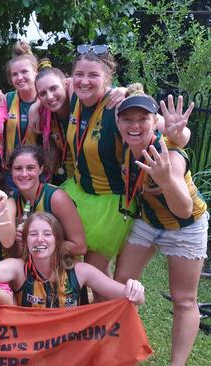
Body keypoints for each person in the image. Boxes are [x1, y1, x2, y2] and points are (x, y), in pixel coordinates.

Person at [61, 45, 190, 294]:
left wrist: (180, 133)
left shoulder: (118, 103)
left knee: (97, 279)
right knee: (66, 267)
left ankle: (107, 330)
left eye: (93, 76)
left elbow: (175, 133)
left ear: (108, 78)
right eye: (79, 74)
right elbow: (50, 85)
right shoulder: (73, 94)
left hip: (110, 202)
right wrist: (35, 107)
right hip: (77, 192)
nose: (84, 81)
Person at [113, 86, 206, 366]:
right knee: (121, 286)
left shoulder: (170, 154)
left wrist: (166, 180)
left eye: (142, 118)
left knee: (184, 299)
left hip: (186, 226)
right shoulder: (125, 145)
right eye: (127, 119)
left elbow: (184, 209)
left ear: (155, 123)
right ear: (118, 123)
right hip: (148, 221)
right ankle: (124, 351)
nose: (134, 125)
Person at [0, 210, 145, 308]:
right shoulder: (18, 268)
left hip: (68, 351)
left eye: (47, 234)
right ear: (26, 241)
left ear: (57, 240)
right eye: (33, 234)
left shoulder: (79, 271)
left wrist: (135, 291)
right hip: (29, 349)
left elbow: (133, 297)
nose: (40, 239)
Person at [8, 145, 86, 256]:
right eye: (18, 169)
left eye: (30, 168)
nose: (24, 174)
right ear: (11, 171)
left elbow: (80, 247)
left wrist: (37, 245)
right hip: (29, 265)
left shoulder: (56, 198)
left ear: (40, 169)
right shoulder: (12, 200)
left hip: (60, 266)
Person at [30, 60, 72, 184]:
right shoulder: (46, 117)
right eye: (43, 93)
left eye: (53, 88)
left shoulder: (81, 106)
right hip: (65, 177)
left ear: (66, 84)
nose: (49, 96)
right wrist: (35, 107)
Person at [3, 41, 40, 158]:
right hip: (10, 169)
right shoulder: (6, 99)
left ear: (35, 72)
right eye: (15, 74)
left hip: (39, 170)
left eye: (24, 72)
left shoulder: (47, 99)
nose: (19, 78)